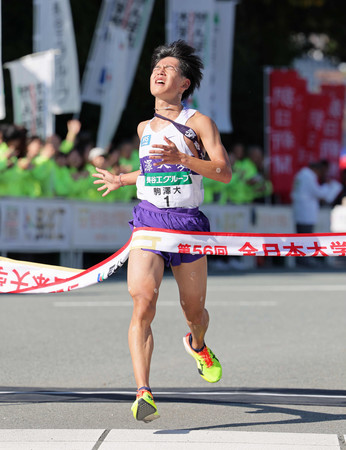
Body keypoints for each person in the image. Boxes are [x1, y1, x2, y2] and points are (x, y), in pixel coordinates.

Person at [92, 40, 232, 423]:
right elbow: (153, 169)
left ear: (184, 83)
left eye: (169, 68)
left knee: (194, 311)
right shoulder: (143, 128)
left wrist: (184, 158)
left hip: (187, 223)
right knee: (144, 301)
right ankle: (143, 392)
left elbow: (223, 172)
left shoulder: (198, 123)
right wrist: (123, 178)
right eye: (157, 67)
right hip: (149, 221)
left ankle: (197, 344)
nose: (160, 71)